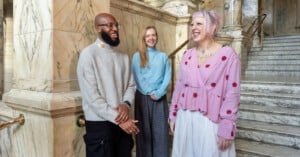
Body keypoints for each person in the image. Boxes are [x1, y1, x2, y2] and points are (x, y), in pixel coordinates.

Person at [169, 10, 241, 157]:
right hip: (185, 119)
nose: (194, 27)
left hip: (211, 122)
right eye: (192, 24)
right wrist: (173, 114)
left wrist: (227, 125)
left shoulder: (228, 55)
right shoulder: (187, 55)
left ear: (213, 27)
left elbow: (232, 93)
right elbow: (179, 86)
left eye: (199, 23)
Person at [77, 13, 140, 157]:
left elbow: (131, 85)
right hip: (100, 124)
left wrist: (125, 104)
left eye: (116, 25)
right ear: (98, 28)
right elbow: (92, 97)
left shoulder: (123, 56)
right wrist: (119, 120)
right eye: (109, 25)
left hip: (122, 123)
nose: (115, 29)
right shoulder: (88, 54)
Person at [132, 26, 171, 157]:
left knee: (161, 134)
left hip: (159, 99)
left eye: (153, 35)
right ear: (144, 38)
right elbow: (137, 77)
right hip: (143, 98)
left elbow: (167, 77)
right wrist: (150, 92)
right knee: (144, 135)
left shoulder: (163, 56)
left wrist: (159, 93)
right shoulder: (137, 56)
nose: (151, 38)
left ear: (157, 37)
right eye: (148, 35)